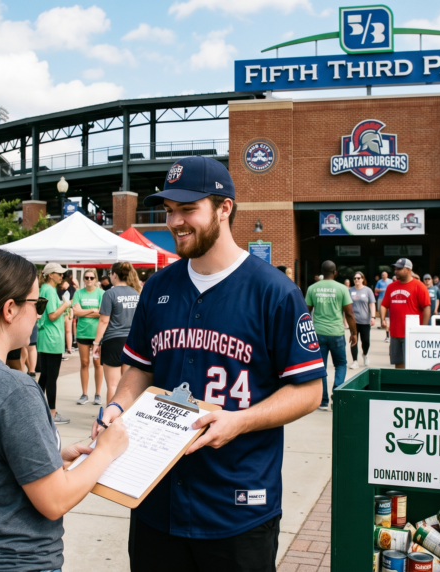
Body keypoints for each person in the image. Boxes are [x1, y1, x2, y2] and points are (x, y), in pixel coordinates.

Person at [94, 156, 325, 572]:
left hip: (236, 505)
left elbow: (309, 391)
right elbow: (140, 368)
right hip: (155, 498)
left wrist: (241, 420)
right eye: (168, 211)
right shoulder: (158, 287)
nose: (175, 221)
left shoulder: (274, 292)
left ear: (224, 208)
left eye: (188, 209)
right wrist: (115, 406)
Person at [0, 248, 129, 572]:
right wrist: (106, 451)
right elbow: (54, 501)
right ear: (9, 309)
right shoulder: (13, 390)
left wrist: (49, 458)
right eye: (37, 304)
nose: (39, 314)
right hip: (9, 561)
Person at [305, 261, 357, 411]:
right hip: (337, 334)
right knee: (340, 364)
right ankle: (338, 393)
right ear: (335, 272)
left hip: (318, 334)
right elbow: (349, 313)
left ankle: (323, 401)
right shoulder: (342, 288)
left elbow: (305, 312)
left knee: (321, 367)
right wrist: (354, 333)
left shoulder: (312, 288)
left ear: (322, 272)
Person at [91, 261, 141, 404]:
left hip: (112, 341)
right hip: (131, 342)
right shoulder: (136, 292)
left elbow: (104, 321)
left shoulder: (110, 293)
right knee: (126, 387)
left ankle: (109, 420)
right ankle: (123, 418)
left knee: (113, 385)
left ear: (114, 275)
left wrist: (96, 343)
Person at [39, 262, 73, 424]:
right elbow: (52, 315)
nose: (62, 276)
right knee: (51, 377)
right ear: (50, 275)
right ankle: (52, 413)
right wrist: (65, 304)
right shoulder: (50, 291)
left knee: (45, 376)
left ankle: (37, 407)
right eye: (59, 274)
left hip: (46, 337)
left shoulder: (45, 289)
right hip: (53, 338)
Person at [383, 259, 431, 369]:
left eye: (399, 269)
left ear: (408, 270)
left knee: (412, 364)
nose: (396, 271)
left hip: (411, 333)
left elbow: (427, 307)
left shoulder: (419, 286)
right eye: (395, 269)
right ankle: (399, 385)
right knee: (398, 364)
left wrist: (422, 329)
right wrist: (382, 319)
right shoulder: (391, 286)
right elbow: (385, 304)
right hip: (395, 333)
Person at [72, 269, 105, 406]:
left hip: (97, 334)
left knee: (97, 363)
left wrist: (84, 312)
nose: (89, 280)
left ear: (96, 279)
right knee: (84, 363)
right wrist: (93, 310)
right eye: (86, 277)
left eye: (91, 277)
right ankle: (84, 394)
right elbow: (76, 312)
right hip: (82, 333)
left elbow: (102, 313)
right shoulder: (78, 293)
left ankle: (97, 394)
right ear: (84, 279)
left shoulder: (101, 293)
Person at [348, 272, 376, 368]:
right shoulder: (350, 290)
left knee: (366, 341)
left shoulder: (368, 290)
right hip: (353, 321)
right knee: (354, 340)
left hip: (365, 321)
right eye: (355, 278)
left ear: (363, 279)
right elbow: (347, 306)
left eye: (358, 278)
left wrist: (373, 317)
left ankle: (364, 354)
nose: (356, 280)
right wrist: (345, 320)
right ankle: (355, 361)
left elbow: (372, 304)